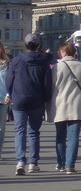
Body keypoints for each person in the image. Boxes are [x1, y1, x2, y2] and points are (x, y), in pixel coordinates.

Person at [9, 32, 54, 176]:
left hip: (19, 99)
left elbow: (9, 81)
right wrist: (47, 97)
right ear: (38, 45)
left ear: (25, 45)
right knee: (34, 132)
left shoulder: (16, 61)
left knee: (20, 130)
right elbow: (48, 83)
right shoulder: (44, 61)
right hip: (37, 99)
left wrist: (11, 94)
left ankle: (20, 161)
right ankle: (33, 163)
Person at [51, 42, 81, 174]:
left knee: (60, 136)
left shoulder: (57, 67)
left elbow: (50, 86)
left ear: (63, 53)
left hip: (60, 106)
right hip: (77, 106)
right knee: (74, 136)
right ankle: (70, 165)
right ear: (74, 53)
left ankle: (61, 163)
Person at [0, 41, 10, 163]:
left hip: (3, 98)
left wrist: (9, 95)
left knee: (1, 128)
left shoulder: (6, 64)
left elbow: (10, 81)